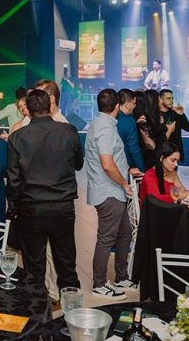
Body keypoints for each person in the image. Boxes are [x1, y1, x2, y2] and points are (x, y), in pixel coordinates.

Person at [7, 90, 83, 292]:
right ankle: (72, 309)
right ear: (50, 106)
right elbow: (78, 164)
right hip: (63, 208)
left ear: (28, 110)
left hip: (31, 209)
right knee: (67, 266)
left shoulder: (17, 137)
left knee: (34, 269)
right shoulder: (69, 131)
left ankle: (38, 309)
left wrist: (13, 207)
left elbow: (14, 179)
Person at [83, 88, 137, 300]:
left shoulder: (101, 123)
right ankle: (99, 283)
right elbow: (107, 164)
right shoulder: (105, 128)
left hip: (112, 190)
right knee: (106, 239)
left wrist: (127, 170)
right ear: (117, 106)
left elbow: (112, 158)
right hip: (109, 192)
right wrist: (125, 183)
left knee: (125, 233)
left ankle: (121, 277)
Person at [117, 89, 146, 175]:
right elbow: (134, 149)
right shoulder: (129, 121)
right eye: (133, 103)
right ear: (127, 104)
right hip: (127, 164)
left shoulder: (112, 118)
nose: (135, 106)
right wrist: (142, 169)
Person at [158, 89, 189, 162]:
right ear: (161, 99)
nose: (171, 101)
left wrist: (181, 114)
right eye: (168, 98)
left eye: (172, 98)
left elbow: (187, 128)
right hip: (162, 153)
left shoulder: (175, 112)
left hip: (175, 153)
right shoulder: (156, 115)